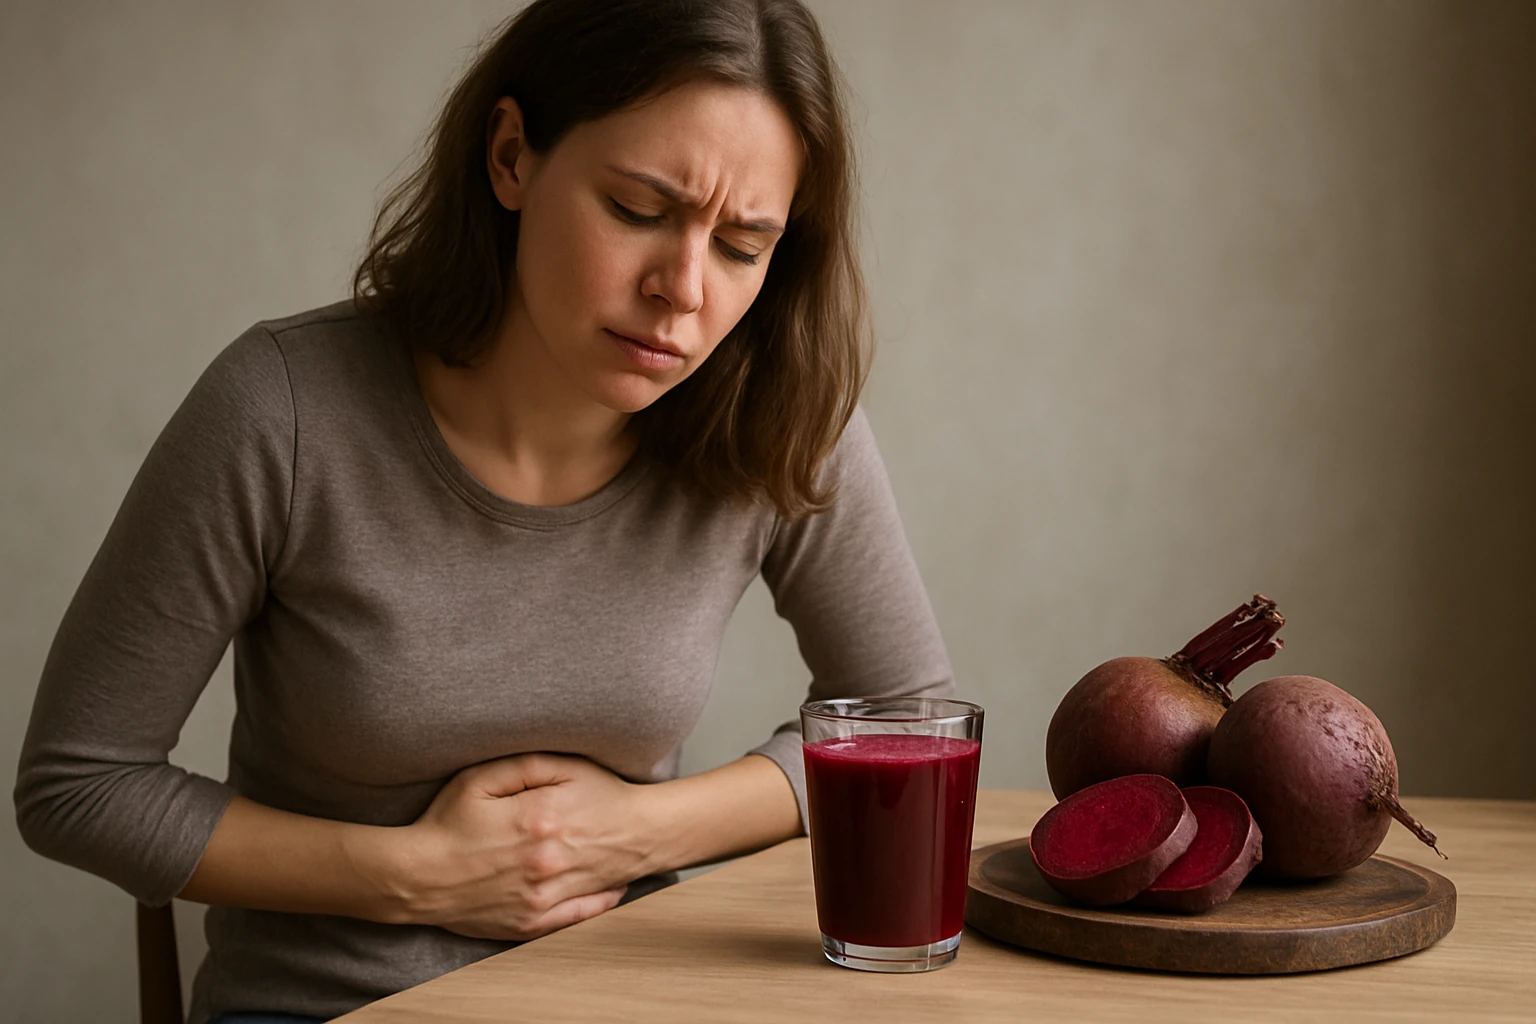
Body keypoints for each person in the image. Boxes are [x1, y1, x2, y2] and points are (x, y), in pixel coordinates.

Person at [14, 1, 953, 1021]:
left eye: (741, 245)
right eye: (638, 208)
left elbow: (908, 720)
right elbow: (80, 784)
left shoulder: (779, 417)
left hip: (627, 1002)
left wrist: (633, 833)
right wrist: (414, 877)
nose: (682, 291)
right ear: (511, 157)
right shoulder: (279, 410)